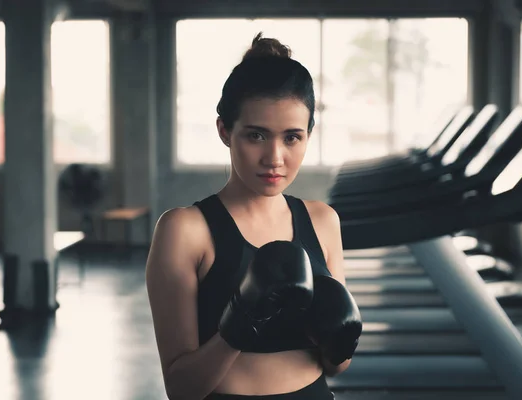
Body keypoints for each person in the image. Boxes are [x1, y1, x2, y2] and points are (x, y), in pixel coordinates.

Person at [145, 32, 361, 400]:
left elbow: (336, 366)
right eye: (257, 136)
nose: (275, 158)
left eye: (292, 137)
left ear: (309, 134)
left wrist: (338, 335)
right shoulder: (185, 230)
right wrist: (240, 321)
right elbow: (181, 389)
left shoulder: (323, 221)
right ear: (225, 131)